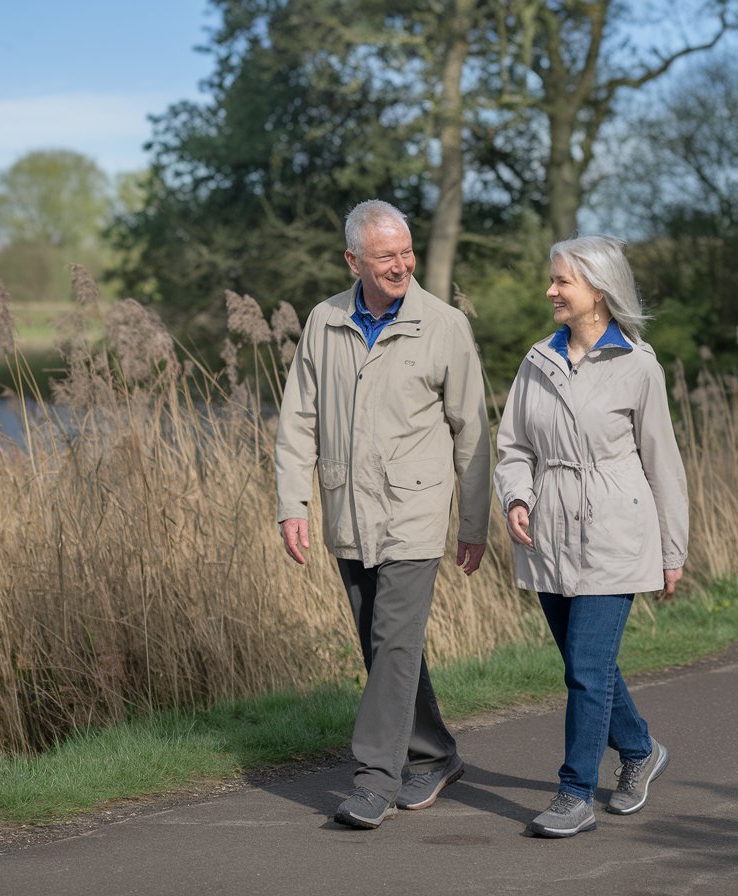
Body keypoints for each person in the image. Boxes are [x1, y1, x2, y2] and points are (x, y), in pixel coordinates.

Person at [275, 199, 491, 830]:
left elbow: (472, 434)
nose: (401, 264)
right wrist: (294, 502)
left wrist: (473, 525)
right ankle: (435, 752)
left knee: (393, 639)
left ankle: (374, 778)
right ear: (353, 260)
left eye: (406, 252)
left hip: (415, 511)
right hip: (349, 509)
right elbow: (298, 420)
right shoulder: (325, 320)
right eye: (385, 255)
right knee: (383, 644)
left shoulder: (445, 325)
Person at [494, 234, 689, 838]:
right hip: (549, 534)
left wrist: (673, 550)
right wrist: (518, 495)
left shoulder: (638, 364)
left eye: (562, 281)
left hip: (616, 533)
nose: (550, 290)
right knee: (586, 667)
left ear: (598, 291)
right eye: (552, 280)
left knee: (585, 667)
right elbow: (514, 447)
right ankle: (639, 750)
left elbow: (664, 462)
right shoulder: (537, 361)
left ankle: (574, 793)